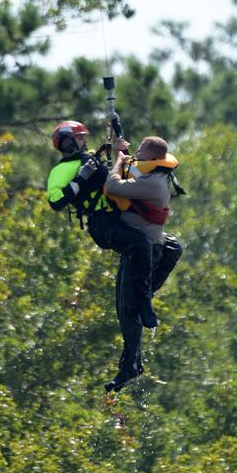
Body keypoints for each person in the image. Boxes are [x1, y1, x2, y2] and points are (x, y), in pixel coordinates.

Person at [47, 121, 160, 328]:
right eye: (79, 137)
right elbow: (56, 202)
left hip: (119, 215)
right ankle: (144, 302)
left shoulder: (91, 158)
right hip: (102, 225)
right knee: (140, 243)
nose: (83, 140)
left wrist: (122, 153)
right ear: (65, 143)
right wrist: (81, 179)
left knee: (165, 245)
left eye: (83, 137)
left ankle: (144, 287)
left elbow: (127, 176)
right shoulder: (61, 171)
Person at [103, 136, 183, 392]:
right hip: (141, 251)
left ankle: (130, 368)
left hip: (144, 254)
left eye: (140, 152)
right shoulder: (148, 173)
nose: (135, 156)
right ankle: (133, 362)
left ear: (152, 159)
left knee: (129, 311)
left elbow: (113, 186)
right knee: (130, 307)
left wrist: (118, 159)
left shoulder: (155, 185)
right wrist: (122, 152)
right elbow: (130, 170)